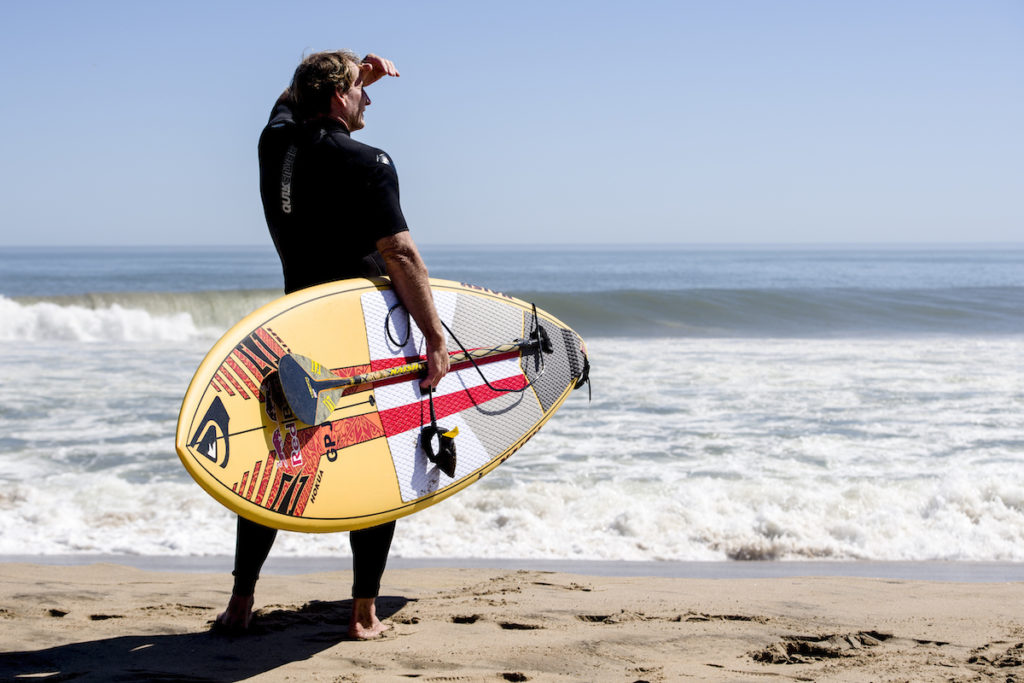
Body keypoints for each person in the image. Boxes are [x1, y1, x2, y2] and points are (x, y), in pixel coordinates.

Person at [215, 50, 450, 639]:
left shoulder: (277, 147)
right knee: (375, 460)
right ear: (336, 99)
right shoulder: (369, 161)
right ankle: (363, 612)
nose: (368, 98)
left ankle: (241, 603)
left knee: (275, 454)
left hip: (297, 324)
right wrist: (435, 337)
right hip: (362, 331)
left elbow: (286, 103)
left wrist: (347, 74)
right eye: (359, 91)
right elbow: (400, 254)